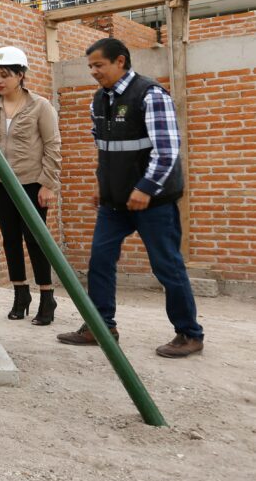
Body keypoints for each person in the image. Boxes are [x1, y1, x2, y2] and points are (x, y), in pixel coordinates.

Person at [56, 38, 205, 358]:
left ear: (120, 61)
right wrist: (101, 184)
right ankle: (100, 326)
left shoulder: (149, 95)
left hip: (154, 202)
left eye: (99, 65)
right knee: (100, 260)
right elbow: (105, 150)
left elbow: (167, 151)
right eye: (90, 66)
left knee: (167, 266)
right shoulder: (98, 101)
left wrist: (146, 188)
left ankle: (190, 334)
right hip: (114, 202)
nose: (93, 72)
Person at [0, 46, 62, 325]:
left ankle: (47, 297)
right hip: (0, 183)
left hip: (31, 184)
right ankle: (20, 295)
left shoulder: (40, 106)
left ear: (21, 75)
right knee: (10, 240)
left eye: (5, 75)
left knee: (36, 240)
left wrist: (49, 184)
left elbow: (52, 146)